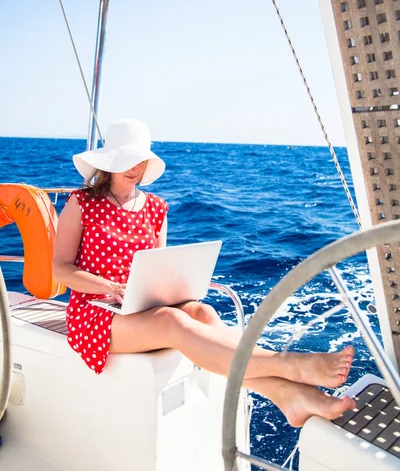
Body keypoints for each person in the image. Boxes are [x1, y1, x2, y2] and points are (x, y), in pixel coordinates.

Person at [53, 118, 355, 428]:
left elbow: (157, 269)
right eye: (128, 160)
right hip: (94, 314)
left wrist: (176, 286)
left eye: (141, 160)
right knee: (171, 321)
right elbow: (60, 269)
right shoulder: (82, 203)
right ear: (110, 161)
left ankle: (286, 396)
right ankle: (290, 365)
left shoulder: (156, 208)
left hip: (139, 305)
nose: (136, 168)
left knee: (204, 312)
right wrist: (109, 286)